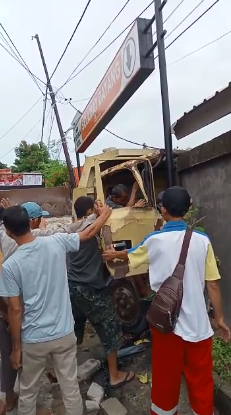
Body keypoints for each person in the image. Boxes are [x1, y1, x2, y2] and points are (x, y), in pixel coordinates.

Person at [103, 186, 230, 415]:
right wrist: (219, 318)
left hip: (166, 325)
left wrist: (114, 254)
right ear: (187, 209)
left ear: (163, 210)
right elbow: (212, 283)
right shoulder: (202, 240)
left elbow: (131, 255)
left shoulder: (154, 240)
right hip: (198, 327)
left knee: (165, 380)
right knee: (201, 381)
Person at [0, 203, 111, 415]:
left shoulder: (10, 266)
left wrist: (16, 349)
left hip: (33, 339)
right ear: (30, 223)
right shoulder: (56, 242)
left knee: (28, 393)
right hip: (64, 333)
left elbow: (14, 310)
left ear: (8, 231)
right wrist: (103, 215)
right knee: (70, 389)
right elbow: (87, 233)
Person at [68, 196, 135, 388]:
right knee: (110, 327)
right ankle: (115, 375)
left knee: (73, 330)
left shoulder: (71, 229)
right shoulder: (86, 230)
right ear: (90, 212)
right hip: (90, 289)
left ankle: (58, 370)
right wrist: (103, 213)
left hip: (72, 288)